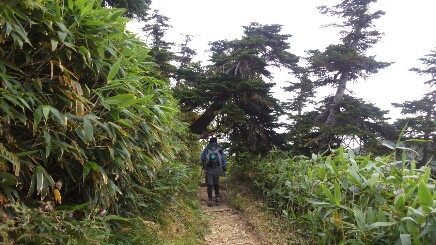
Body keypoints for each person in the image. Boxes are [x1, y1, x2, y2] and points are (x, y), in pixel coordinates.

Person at [201, 137, 227, 207]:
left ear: (210, 141)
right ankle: (218, 198)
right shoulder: (219, 148)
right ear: (216, 141)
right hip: (218, 168)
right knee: (216, 183)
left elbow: (202, 158)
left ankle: (210, 201)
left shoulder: (207, 148)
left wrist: (204, 163)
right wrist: (224, 166)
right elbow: (223, 159)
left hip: (209, 168)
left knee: (209, 185)